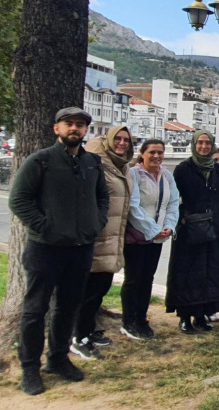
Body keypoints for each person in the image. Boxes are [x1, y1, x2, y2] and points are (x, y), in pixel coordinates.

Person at [9, 107, 108, 395]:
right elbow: (19, 200)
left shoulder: (92, 162)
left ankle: (58, 359)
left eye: (80, 125)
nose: (75, 129)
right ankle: (29, 367)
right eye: (69, 124)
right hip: (45, 248)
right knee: (35, 309)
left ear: (86, 131)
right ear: (57, 129)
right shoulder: (41, 161)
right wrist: (45, 227)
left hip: (80, 248)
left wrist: (97, 222)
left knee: (68, 306)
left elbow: (102, 196)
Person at [71, 126, 133, 360]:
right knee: (88, 290)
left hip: (114, 237)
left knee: (100, 289)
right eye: (117, 138)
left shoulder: (123, 166)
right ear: (108, 140)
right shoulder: (97, 164)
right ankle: (79, 338)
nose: (122, 143)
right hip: (97, 237)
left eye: (126, 139)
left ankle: (89, 330)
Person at [168, 130, 219, 334]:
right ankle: (185, 317)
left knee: (208, 273)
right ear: (194, 144)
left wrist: (218, 223)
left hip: (212, 232)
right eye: (200, 143)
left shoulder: (218, 170)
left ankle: (202, 315)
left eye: (207, 143)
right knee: (188, 273)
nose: (204, 147)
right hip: (189, 233)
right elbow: (175, 199)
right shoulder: (183, 169)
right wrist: (185, 219)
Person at [123, 139, 178, 341]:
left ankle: (141, 319)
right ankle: (129, 321)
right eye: (152, 152)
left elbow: (172, 204)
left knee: (147, 279)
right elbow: (133, 206)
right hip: (137, 236)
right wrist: (152, 229)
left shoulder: (166, 176)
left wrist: (169, 227)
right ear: (143, 153)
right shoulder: (134, 174)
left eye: (160, 152)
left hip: (157, 238)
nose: (156, 156)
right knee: (133, 279)